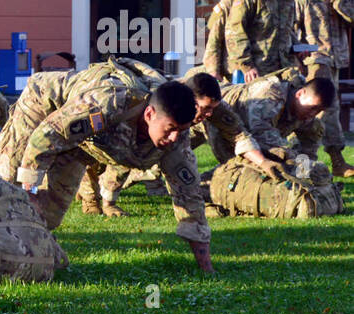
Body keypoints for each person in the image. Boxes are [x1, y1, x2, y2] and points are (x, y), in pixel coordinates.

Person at [0, 57, 213, 272]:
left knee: (48, 213)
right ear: (149, 114)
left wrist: (206, 268)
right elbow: (46, 137)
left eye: (181, 131)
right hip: (43, 106)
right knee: (6, 183)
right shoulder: (107, 105)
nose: (174, 137)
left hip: (83, 141)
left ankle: (17, 251)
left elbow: (189, 196)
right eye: (170, 128)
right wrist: (29, 191)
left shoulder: (176, 141)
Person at [77, 70, 276, 214]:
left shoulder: (213, 109)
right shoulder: (166, 103)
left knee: (168, 162)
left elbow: (238, 134)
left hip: (181, 135)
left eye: (212, 109)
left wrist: (263, 162)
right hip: (128, 130)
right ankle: (92, 197)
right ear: (191, 100)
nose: (209, 114)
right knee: (109, 156)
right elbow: (122, 156)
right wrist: (108, 202)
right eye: (204, 108)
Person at [293, 0, 354, 176]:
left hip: (336, 61)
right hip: (315, 63)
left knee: (330, 111)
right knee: (319, 112)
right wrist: (298, 59)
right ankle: (306, 163)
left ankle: (335, 161)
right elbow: (292, 30)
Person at [208, 72, 334, 167]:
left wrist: (302, 176)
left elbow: (308, 151)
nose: (313, 114)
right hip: (213, 112)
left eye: (318, 111)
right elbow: (265, 138)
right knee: (234, 168)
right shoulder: (270, 96)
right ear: (300, 94)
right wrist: (290, 160)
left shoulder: (307, 117)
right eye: (312, 108)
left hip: (238, 127)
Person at [202, 0, 264, 80]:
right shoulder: (231, 0)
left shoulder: (267, 1)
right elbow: (215, 37)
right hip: (236, 72)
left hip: (263, 68)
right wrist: (213, 70)